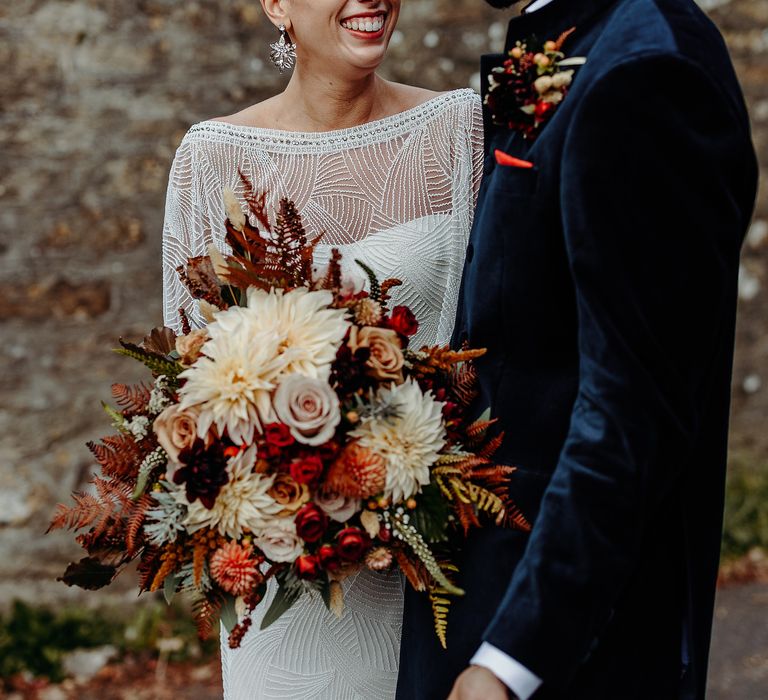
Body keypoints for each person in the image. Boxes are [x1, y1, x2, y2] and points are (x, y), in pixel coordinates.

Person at [396, 0, 758, 698]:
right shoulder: (565, 37)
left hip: (564, 652)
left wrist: (509, 662)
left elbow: (631, 415)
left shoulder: (648, 69)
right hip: (475, 597)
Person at [161, 1, 483, 697]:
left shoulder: (458, 129)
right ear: (275, 4)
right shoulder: (212, 156)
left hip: (430, 561)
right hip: (286, 579)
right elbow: (189, 384)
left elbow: (491, 339)